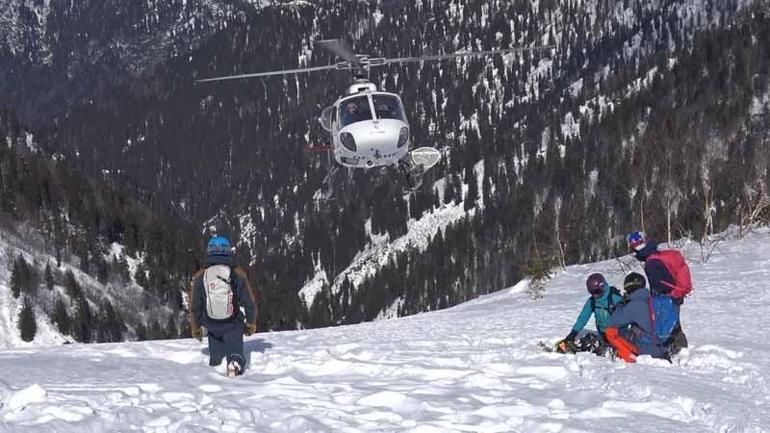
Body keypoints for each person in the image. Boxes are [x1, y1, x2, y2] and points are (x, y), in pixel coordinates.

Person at [188, 235, 257, 377]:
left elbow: (195, 306)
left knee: (216, 358)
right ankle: (234, 363)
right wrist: (250, 324)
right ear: (228, 252)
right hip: (232, 323)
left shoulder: (201, 276)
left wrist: (196, 328)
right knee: (235, 351)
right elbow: (250, 303)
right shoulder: (237, 274)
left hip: (211, 324)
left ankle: (215, 365)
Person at [627, 231, 689, 355]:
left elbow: (660, 284)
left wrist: (657, 297)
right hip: (675, 294)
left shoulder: (651, 262)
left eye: (636, 245)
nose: (635, 249)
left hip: (667, 297)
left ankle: (666, 348)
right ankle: (680, 346)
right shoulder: (655, 255)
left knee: (663, 322)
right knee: (673, 320)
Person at [605, 272, 668, 362]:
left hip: (649, 348)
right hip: (661, 343)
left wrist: (621, 304)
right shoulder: (649, 298)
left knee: (611, 331)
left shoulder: (635, 304)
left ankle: (628, 357)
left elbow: (614, 322)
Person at [555, 273, 623, 355]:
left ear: (603, 287)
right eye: (592, 292)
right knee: (587, 341)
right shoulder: (592, 301)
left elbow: (627, 317)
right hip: (603, 335)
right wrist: (573, 333)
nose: (595, 295)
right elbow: (583, 318)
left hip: (617, 335)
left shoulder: (614, 298)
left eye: (597, 291)